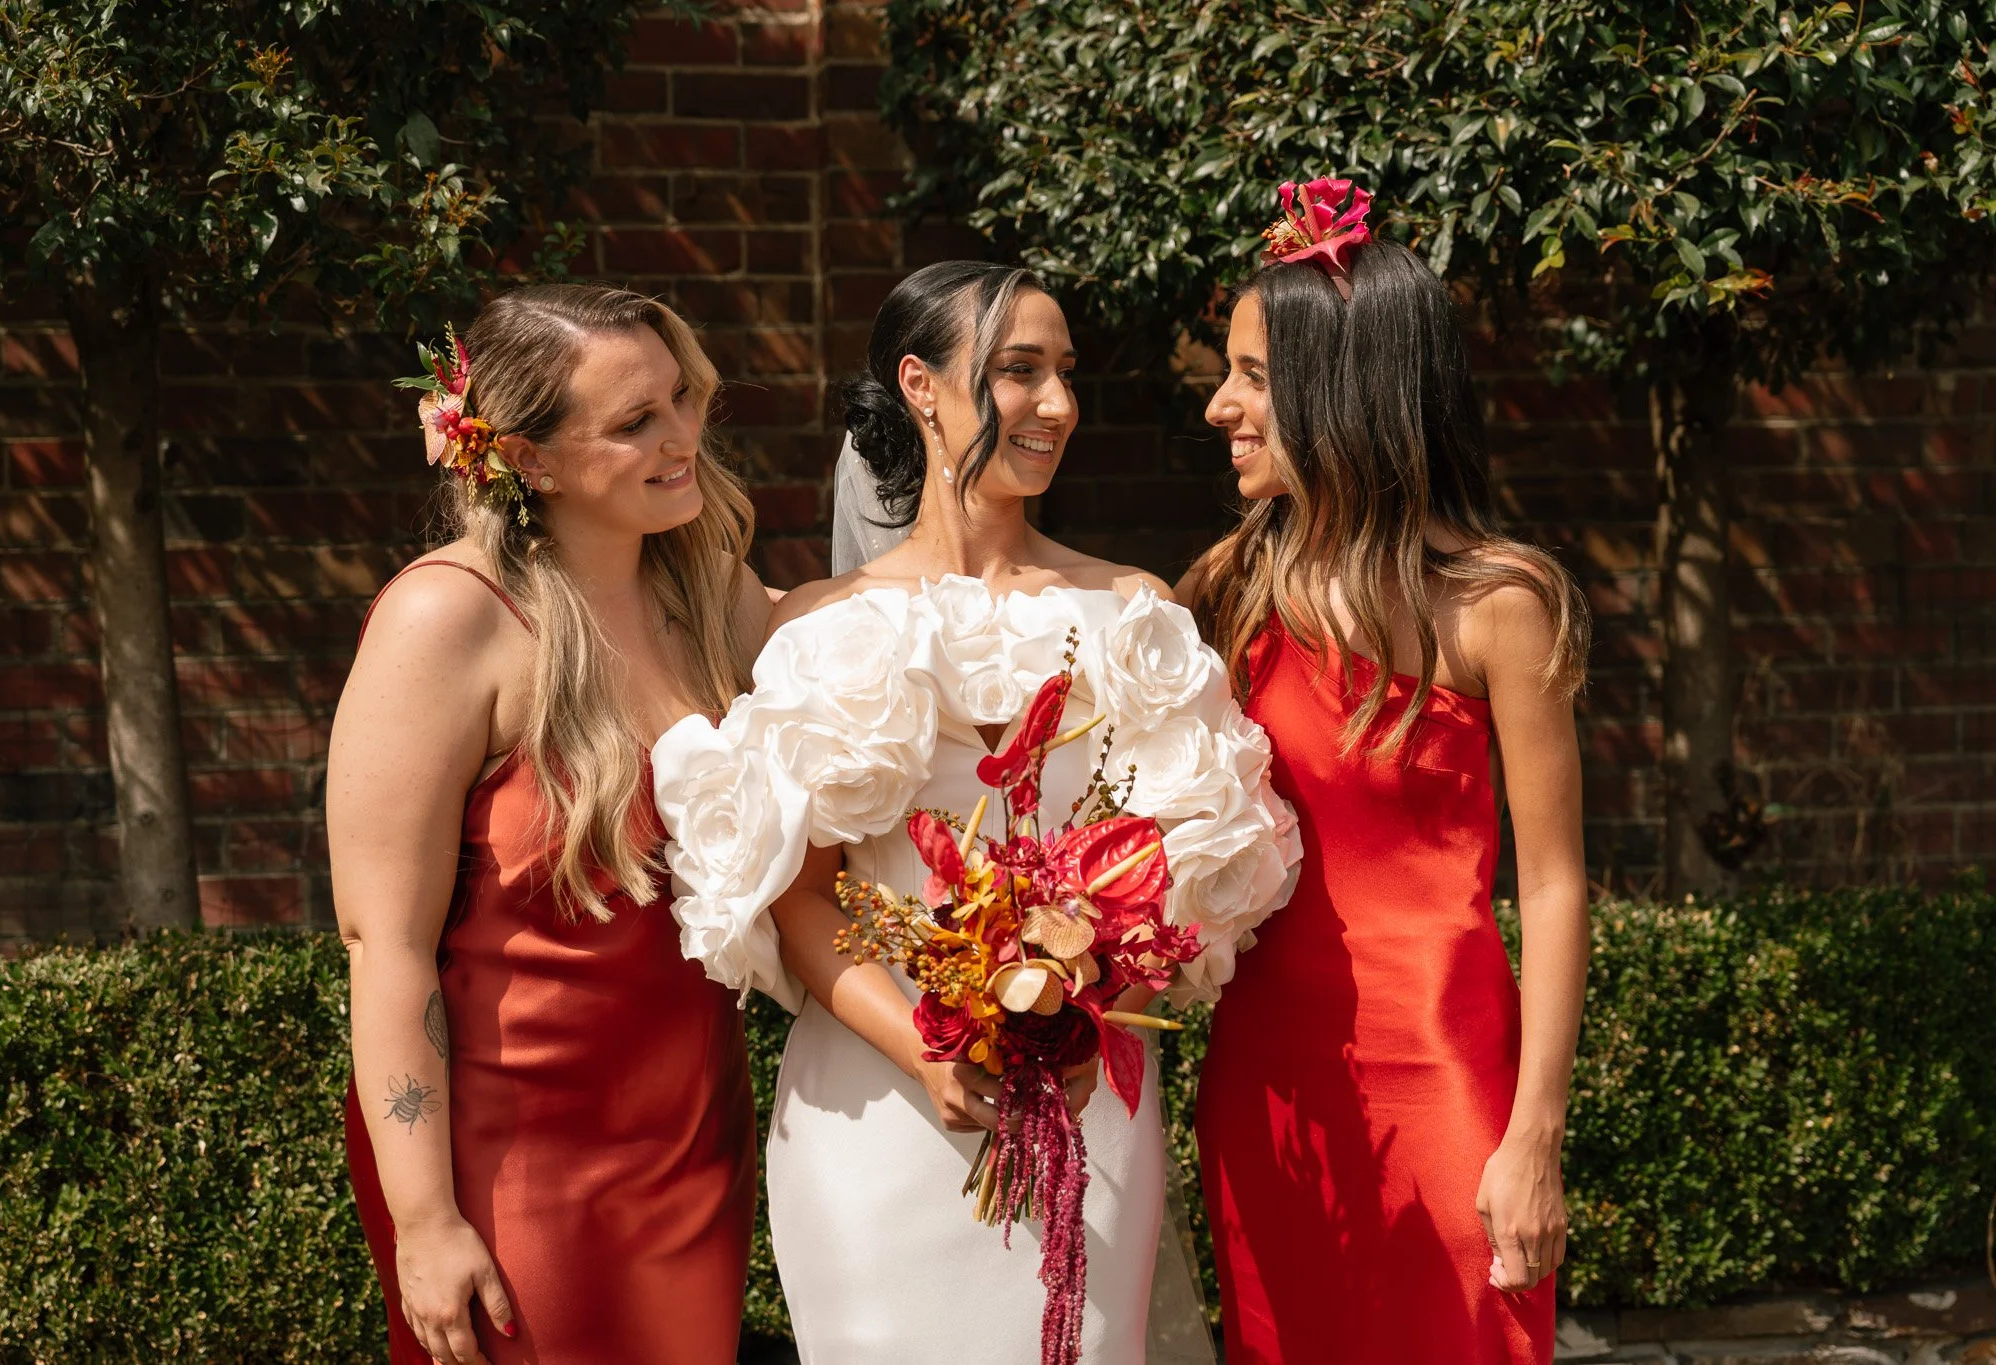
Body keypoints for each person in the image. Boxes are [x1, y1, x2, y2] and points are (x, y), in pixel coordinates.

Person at [652, 260, 1299, 1364]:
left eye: (1063, 374)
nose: (1055, 404)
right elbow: (797, 894)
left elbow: (1183, 867)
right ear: (920, 385)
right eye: (1017, 372)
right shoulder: (816, 628)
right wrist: (926, 1049)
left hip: (1084, 1095)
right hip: (874, 1109)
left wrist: (1085, 1013)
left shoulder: (1133, 614)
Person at [1184, 181, 1593, 1365]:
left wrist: (1534, 1140)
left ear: (1341, 386)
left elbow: (1555, 884)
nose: (1220, 406)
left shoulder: (1497, 606)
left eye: (1252, 377)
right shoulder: (1226, 592)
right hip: (1266, 1088)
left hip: (1446, 1077)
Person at [329, 285, 769, 1365]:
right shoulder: (449, 618)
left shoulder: (708, 589)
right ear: (527, 458)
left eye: (679, 399)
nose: (681, 440)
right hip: (511, 1160)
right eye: (634, 423)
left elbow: (872, 663)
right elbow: (380, 943)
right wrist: (426, 1221)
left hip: (693, 1141)